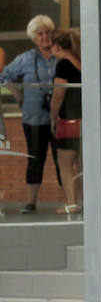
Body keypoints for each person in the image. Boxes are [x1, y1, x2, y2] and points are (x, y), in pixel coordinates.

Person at [0, 15, 61, 213]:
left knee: (63, 159)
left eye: (48, 32)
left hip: (60, 117)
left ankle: (69, 200)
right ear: (33, 38)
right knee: (35, 159)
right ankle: (31, 201)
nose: (45, 37)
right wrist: (17, 94)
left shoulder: (61, 55)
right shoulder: (25, 58)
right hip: (34, 116)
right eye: (40, 34)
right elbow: (4, 76)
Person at [49, 30, 82, 214]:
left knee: (65, 163)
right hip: (84, 119)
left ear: (57, 46)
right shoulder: (80, 62)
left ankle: (71, 203)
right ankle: (81, 201)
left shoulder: (63, 64)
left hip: (69, 119)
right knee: (79, 163)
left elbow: (58, 93)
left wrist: (53, 116)